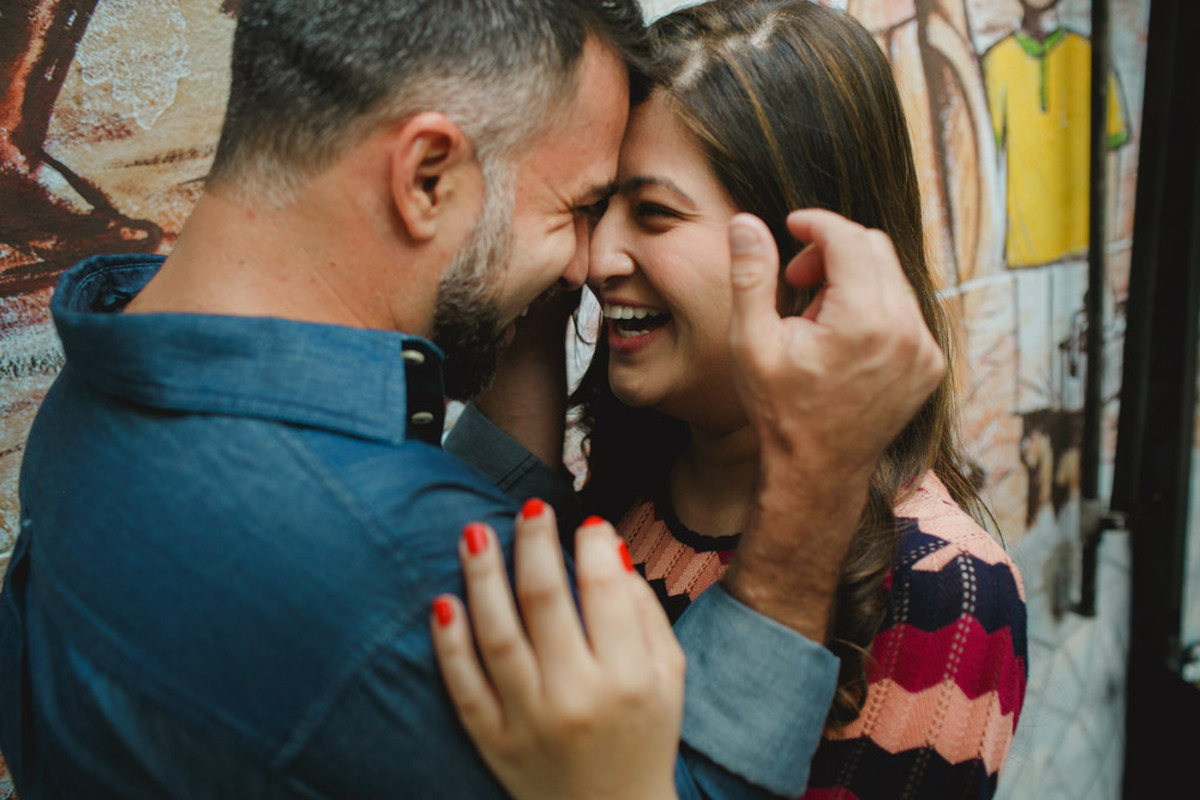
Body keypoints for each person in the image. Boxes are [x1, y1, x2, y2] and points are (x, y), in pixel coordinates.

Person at [0, 1, 947, 798]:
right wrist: (818, 478)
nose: (588, 263)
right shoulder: (401, 578)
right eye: (579, 209)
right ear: (427, 179)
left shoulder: (99, 385)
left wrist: (511, 301)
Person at [443, 1, 1027, 798]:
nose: (596, 257)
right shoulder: (630, 485)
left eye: (652, 213)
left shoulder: (944, 591)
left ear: (803, 258)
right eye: (595, 206)